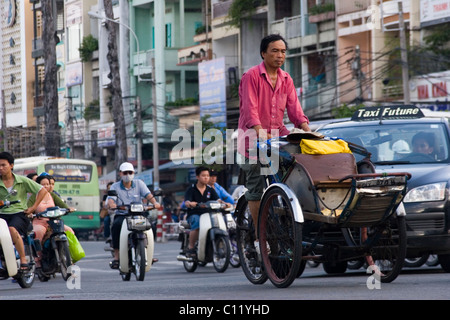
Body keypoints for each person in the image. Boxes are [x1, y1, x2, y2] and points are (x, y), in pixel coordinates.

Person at [237, 34, 310, 236]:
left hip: (277, 138)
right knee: (256, 189)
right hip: (252, 140)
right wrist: (260, 133)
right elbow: (250, 110)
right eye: (275, 51)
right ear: (263, 53)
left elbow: (295, 110)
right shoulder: (251, 76)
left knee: (294, 177)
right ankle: (261, 237)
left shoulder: (286, 79)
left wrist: (307, 130)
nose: (280, 55)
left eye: (283, 51)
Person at [106, 162, 160, 269]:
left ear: (133, 173)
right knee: (116, 226)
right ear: (120, 174)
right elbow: (111, 200)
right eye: (125, 173)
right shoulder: (115, 186)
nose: (127, 175)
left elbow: (148, 195)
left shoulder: (139, 183)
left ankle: (149, 254)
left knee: (151, 227)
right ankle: (116, 257)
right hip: (122, 215)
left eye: (130, 172)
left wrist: (155, 203)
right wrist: (113, 205)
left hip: (138, 215)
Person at [0, 152, 48, 270]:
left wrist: (32, 207)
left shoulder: (22, 180)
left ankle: (23, 259)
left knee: (11, 229)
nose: (0, 168)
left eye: (3, 165)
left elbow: (42, 190)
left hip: (19, 214)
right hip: (2, 215)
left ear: (11, 165)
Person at [27, 174, 75, 267]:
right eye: (43, 184)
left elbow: (63, 206)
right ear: (38, 185)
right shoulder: (34, 196)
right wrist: (29, 213)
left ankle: (69, 257)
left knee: (69, 231)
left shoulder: (52, 195)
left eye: (48, 184)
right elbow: (28, 208)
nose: (46, 186)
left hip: (53, 222)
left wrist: (69, 209)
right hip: (40, 221)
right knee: (38, 233)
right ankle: (38, 259)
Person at [183, 166, 231, 258]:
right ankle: (191, 247)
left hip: (209, 215)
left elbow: (218, 200)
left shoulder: (210, 190)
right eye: (203, 175)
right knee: (196, 223)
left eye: (207, 176)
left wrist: (225, 204)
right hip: (195, 214)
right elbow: (187, 202)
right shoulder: (191, 189)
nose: (206, 178)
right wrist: (190, 203)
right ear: (197, 177)